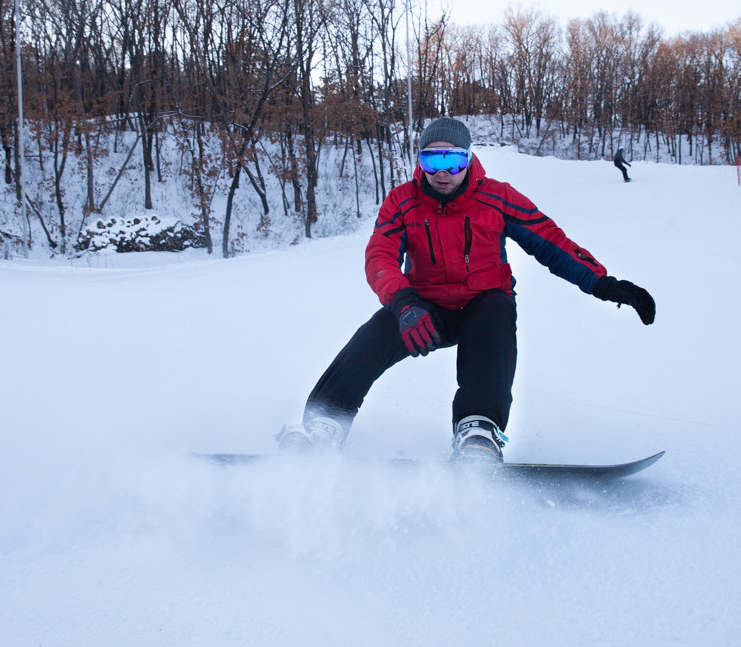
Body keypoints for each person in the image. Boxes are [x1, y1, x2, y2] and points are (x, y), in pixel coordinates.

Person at [277, 117, 656, 462]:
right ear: (420, 162)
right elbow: (380, 255)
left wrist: (603, 283)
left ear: (470, 159)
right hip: (424, 310)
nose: (443, 174)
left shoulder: (498, 197)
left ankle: (478, 430)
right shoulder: (402, 201)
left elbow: (549, 242)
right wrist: (404, 301)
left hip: (482, 303)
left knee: (495, 315)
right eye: (432, 162)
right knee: (374, 334)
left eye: (453, 162)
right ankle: (323, 423)